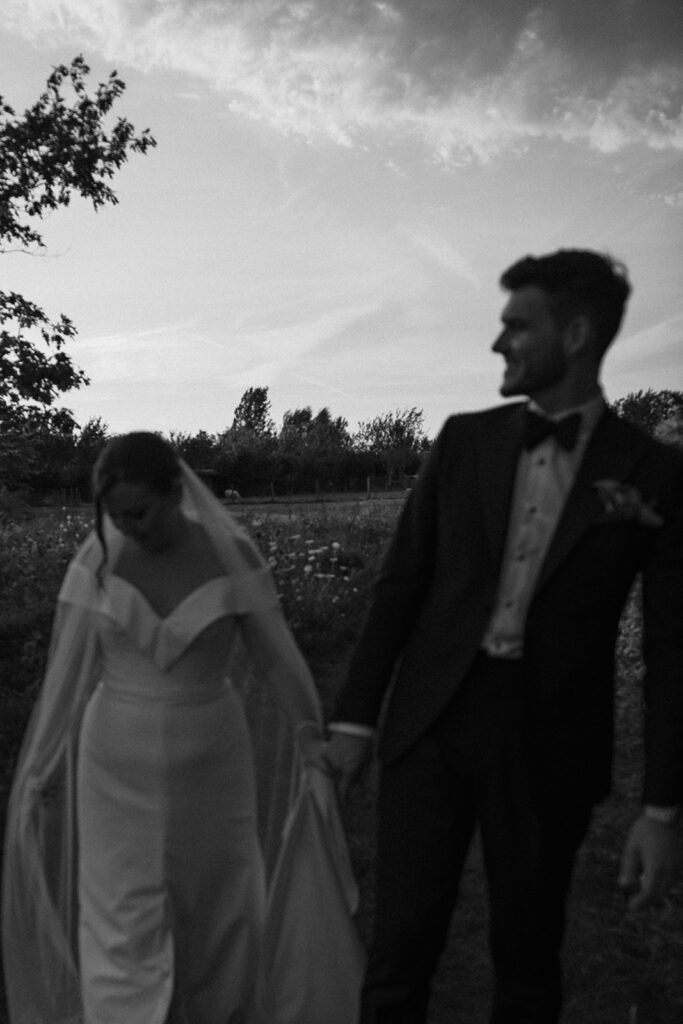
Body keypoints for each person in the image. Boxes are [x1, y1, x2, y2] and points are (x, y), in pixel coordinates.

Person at [325, 250, 683, 1023]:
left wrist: (660, 810)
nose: (497, 343)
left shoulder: (651, 471)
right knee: (398, 954)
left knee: (526, 960)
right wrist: (354, 719)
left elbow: (671, 652)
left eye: (516, 326)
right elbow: (401, 585)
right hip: (430, 724)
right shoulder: (462, 440)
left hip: (550, 742)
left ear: (577, 334)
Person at [2, 432, 344, 1023]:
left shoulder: (231, 553)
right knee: (120, 916)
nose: (126, 528)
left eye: (138, 512)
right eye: (113, 517)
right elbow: (69, 668)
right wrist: (40, 764)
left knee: (217, 909)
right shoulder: (98, 559)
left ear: (177, 492)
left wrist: (309, 731)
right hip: (113, 766)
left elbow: (271, 659)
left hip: (213, 764)